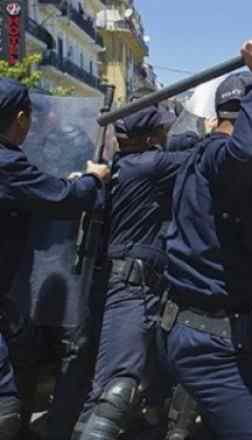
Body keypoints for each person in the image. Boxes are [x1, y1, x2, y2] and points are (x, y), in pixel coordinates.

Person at [160, 37, 252, 439]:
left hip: (205, 329)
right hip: (211, 341)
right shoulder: (219, 158)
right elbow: (245, 153)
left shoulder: (200, 160)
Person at [0, 77, 110, 440]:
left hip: (18, 293)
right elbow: (61, 198)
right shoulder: (7, 164)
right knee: (7, 401)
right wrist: (92, 180)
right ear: (20, 118)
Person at [74, 106, 192, 440]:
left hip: (121, 283)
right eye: (162, 131)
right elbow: (208, 156)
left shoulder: (119, 168)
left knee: (106, 389)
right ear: (152, 138)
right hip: (132, 287)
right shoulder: (150, 166)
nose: (167, 136)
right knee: (115, 391)